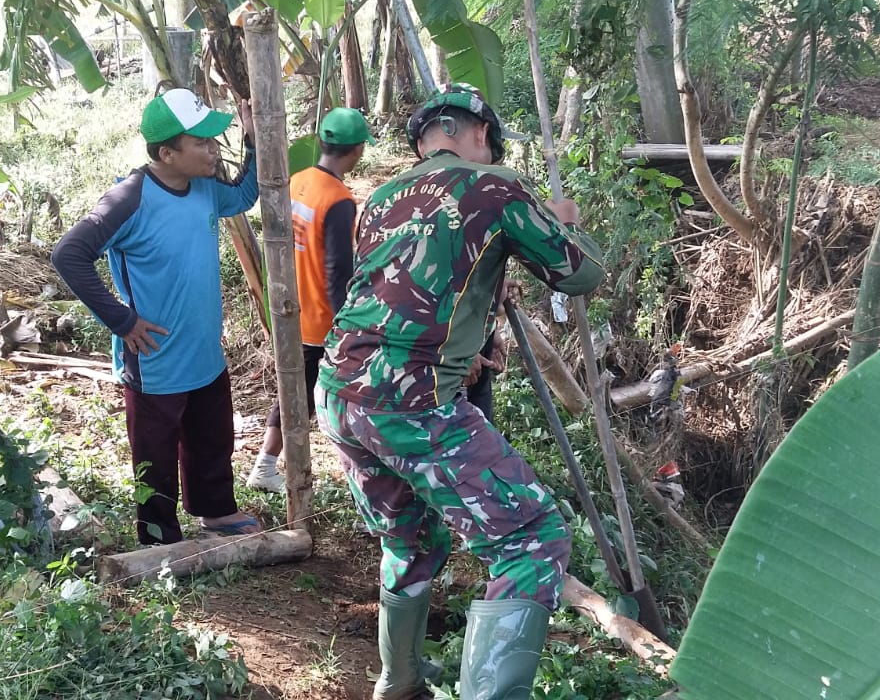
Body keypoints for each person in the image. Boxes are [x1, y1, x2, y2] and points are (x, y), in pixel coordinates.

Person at [315, 83, 605, 700]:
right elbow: (580, 273)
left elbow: (410, 290)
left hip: (340, 392)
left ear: (423, 141)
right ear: (479, 136)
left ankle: (399, 684)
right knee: (533, 539)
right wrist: (560, 224)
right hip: (412, 400)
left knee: (412, 537)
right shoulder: (495, 185)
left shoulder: (382, 197)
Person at [51, 88, 262, 544]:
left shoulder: (205, 187)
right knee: (155, 451)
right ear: (167, 153)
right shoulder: (131, 198)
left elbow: (245, 194)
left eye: (213, 141)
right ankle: (160, 534)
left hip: (204, 348)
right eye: (202, 143)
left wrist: (253, 141)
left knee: (212, 437)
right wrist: (121, 321)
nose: (212, 150)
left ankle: (217, 511)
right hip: (155, 358)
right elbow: (69, 254)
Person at [248, 108, 373, 493]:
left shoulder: (297, 181)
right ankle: (269, 467)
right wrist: (347, 326)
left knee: (294, 390)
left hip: (290, 307)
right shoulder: (338, 199)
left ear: (321, 143)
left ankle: (267, 464)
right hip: (320, 320)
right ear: (357, 152)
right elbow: (339, 272)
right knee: (310, 396)